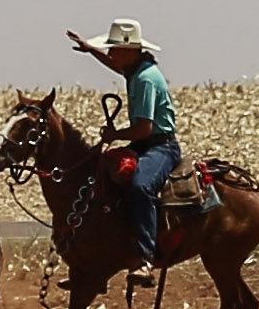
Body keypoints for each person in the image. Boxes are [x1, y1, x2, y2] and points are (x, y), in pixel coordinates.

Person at [69, 18, 180, 281]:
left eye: (114, 48)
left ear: (131, 50)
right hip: (145, 144)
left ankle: (145, 258)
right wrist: (89, 49)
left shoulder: (145, 79)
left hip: (161, 147)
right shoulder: (135, 70)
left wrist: (114, 135)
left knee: (141, 186)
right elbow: (113, 65)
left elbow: (144, 128)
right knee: (98, 176)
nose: (110, 53)